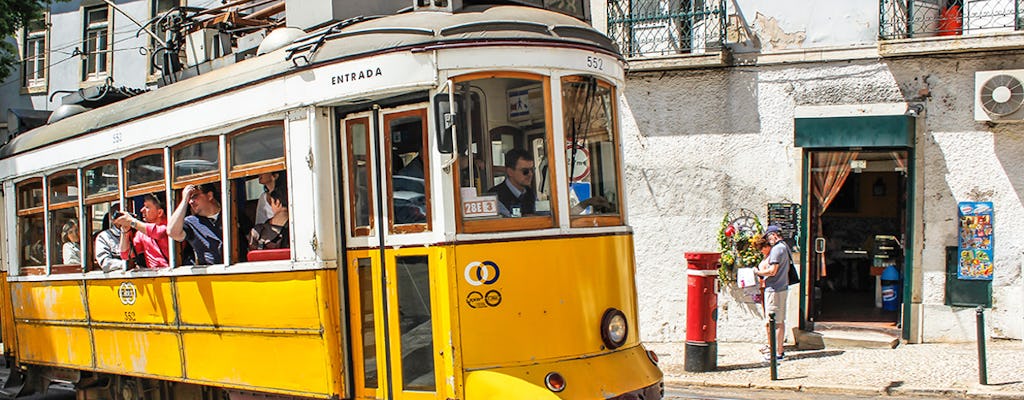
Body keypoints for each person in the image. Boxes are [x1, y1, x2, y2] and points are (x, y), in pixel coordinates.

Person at [755, 225, 791, 362]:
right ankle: (779, 351)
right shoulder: (785, 247)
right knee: (779, 321)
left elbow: (772, 271)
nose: (768, 240)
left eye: (769, 237)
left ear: (774, 235)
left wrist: (757, 272)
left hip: (774, 289)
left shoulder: (776, 249)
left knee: (773, 321)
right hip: (782, 287)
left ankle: (776, 353)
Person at [169, 183, 223, 265]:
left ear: (209, 196)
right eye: (189, 199)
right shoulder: (191, 222)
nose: (190, 202)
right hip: (211, 274)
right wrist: (184, 200)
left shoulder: (231, 214)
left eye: (194, 197)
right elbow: (172, 232)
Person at [115, 194, 170, 269]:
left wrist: (132, 221)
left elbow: (158, 233)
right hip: (154, 275)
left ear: (159, 212)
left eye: (147, 207)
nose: (142, 210)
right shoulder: (141, 233)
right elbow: (125, 255)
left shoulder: (169, 224)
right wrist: (125, 231)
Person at [487, 149, 536, 217]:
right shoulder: (494, 198)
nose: (530, 174)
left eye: (532, 170)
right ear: (510, 172)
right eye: (525, 171)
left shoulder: (531, 193)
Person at [94, 203, 126, 272]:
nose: (124, 218)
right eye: (119, 215)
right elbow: (106, 263)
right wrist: (125, 264)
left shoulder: (136, 233)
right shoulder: (103, 237)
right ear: (112, 219)